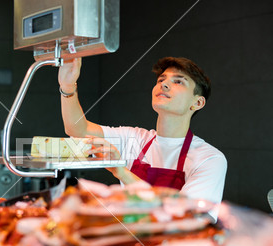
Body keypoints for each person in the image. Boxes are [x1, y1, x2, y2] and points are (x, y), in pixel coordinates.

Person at [58, 56, 227, 219]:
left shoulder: (210, 159)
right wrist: (67, 86)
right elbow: (78, 129)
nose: (165, 84)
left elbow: (180, 215)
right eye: (161, 80)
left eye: (178, 81)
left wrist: (122, 172)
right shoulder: (134, 139)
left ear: (197, 103)